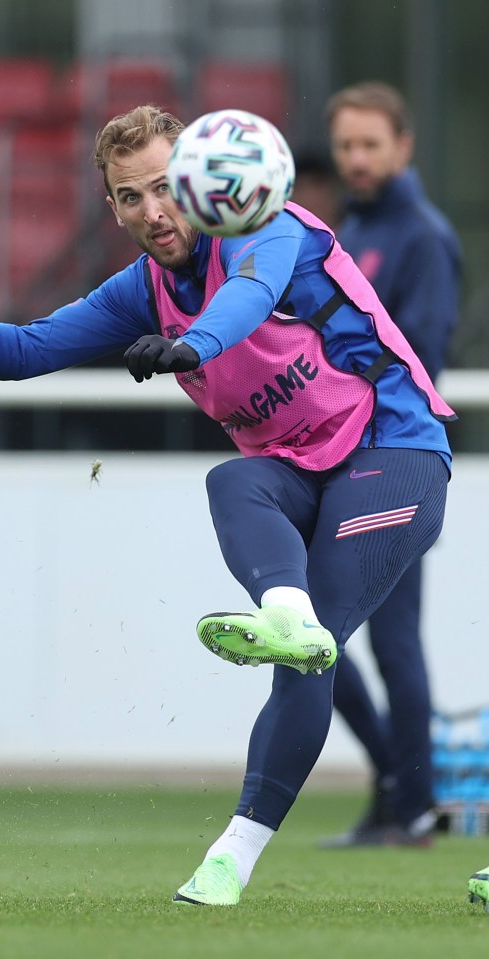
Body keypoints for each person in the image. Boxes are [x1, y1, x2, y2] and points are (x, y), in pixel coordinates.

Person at [0, 104, 455, 906]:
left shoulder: (266, 227)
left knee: (321, 647)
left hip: (394, 451)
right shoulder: (141, 288)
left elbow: (246, 296)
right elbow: (22, 353)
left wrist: (191, 345)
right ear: (111, 207)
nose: (152, 212)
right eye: (130, 198)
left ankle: (231, 858)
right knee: (234, 490)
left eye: (164, 189)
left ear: (199, 183)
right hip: (297, 467)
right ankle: (285, 612)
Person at [322, 81, 462, 846]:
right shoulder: (351, 228)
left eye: (371, 144)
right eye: (345, 145)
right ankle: (398, 791)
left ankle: (405, 802)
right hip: (341, 456)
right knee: (319, 629)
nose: (357, 158)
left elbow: (423, 358)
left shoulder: (422, 238)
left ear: (402, 147)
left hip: (395, 458)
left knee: (388, 638)